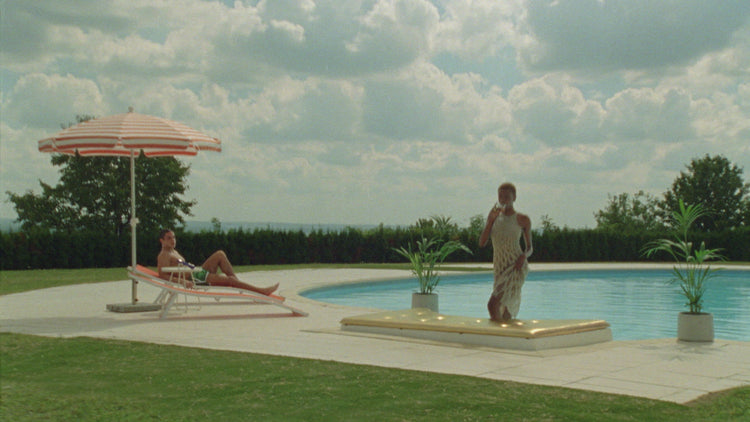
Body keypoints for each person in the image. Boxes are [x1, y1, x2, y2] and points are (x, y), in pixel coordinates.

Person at [157, 229, 279, 296]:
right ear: (161, 240)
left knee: (220, 254)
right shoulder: (164, 255)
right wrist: (183, 281)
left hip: (196, 273)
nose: (173, 240)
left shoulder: (173, 251)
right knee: (230, 280)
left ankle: (237, 283)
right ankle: (261, 291)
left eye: (174, 237)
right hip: (194, 278)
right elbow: (162, 275)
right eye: (169, 238)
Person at [478, 183, 533, 321]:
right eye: (501, 196)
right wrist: (490, 220)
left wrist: (523, 256)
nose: (503, 200)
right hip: (500, 266)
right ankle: (506, 332)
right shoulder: (494, 217)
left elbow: (530, 248)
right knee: (505, 311)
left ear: (514, 197)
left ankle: (497, 332)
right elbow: (482, 243)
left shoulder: (522, 219)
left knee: (492, 305)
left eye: (507, 196)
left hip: (515, 266)